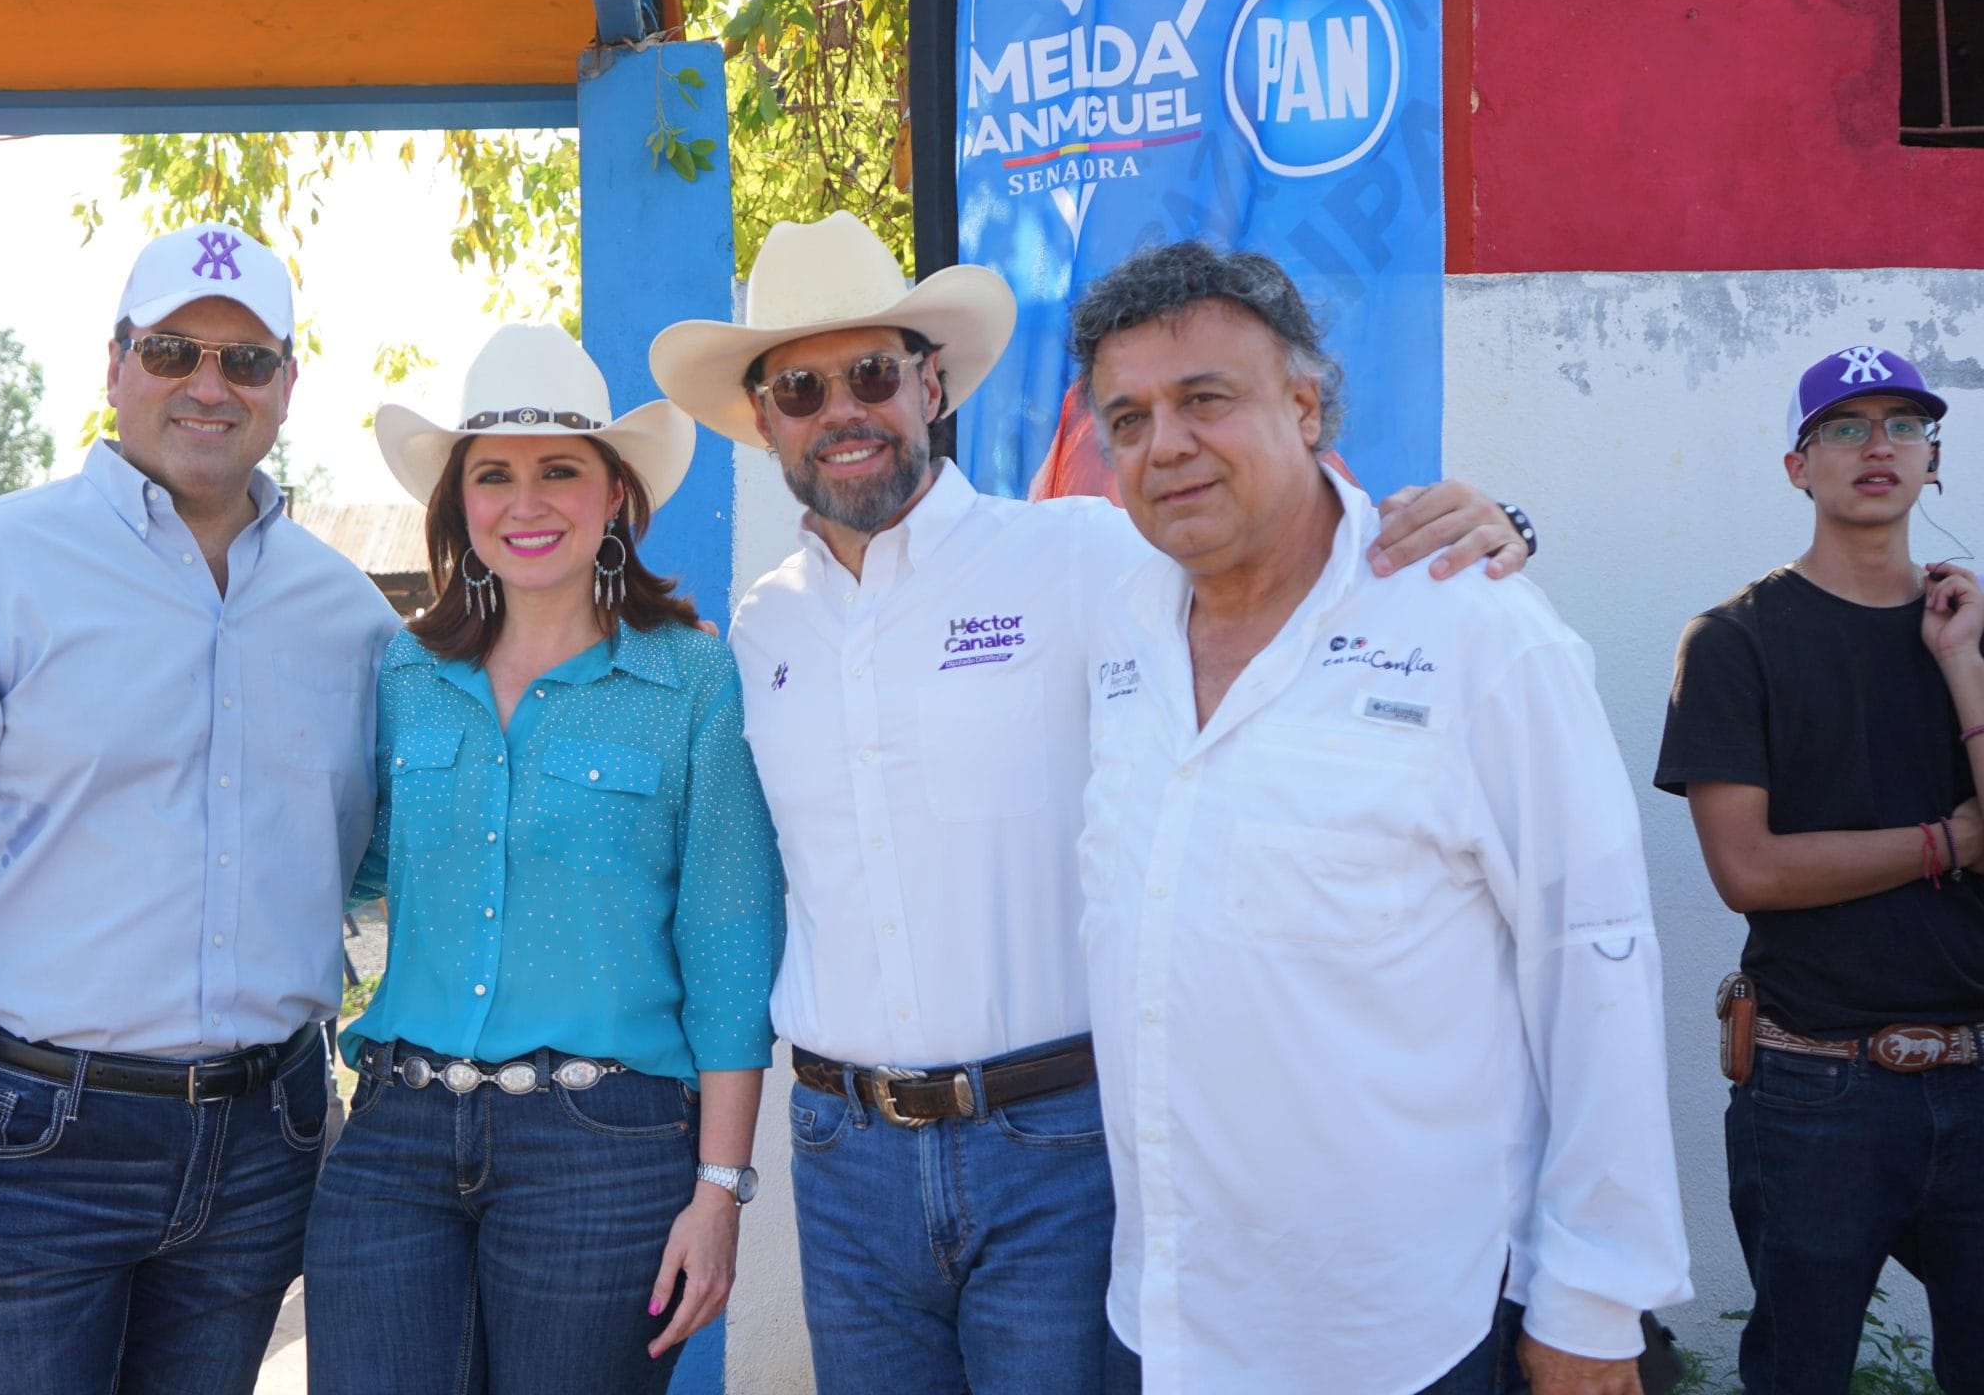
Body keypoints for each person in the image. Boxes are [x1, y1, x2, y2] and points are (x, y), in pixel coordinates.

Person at [645, 213, 1539, 1393]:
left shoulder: (1081, 556)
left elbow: (1290, 561)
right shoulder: (756, 630)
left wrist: (1480, 533)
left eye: (870, 374)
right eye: (800, 389)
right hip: (841, 1155)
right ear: (764, 421)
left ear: (929, 384)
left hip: (1054, 1142)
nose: (840, 412)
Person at [0, 223, 400, 1395]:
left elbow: (369, 862)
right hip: (17, 1146)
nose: (208, 385)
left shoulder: (348, 616)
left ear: (288, 383)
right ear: (114, 363)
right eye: (173, 350)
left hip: (263, 1144)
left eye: (246, 359)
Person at [1070, 243, 1689, 1395]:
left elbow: (1593, 959)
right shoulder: (1117, 631)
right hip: (1166, 1316)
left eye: (1205, 398)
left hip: (1404, 1330)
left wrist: (1595, 1298)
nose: (1167, 445)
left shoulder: (1478, 631)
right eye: (1130, 417)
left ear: (1304, 407)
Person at [302, 324, 785, 1393]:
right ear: (459, 505)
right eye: (495, 476)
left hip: (603, 1150)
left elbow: (728, 950)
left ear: (614, 495)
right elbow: (355, 864)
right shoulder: (404, 675)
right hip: (395, 1140)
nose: (527, 503)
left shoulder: (695, 683)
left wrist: (718, 1190)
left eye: (560, 470)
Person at [1657, 345, 1984, 1393]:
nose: (1876, 446)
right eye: (1843, 428)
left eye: (1902, 426)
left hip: (1980, 1073)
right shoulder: (1733, 642)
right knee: (1799, 1374)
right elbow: (1748, 871)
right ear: (1797, 467)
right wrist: (1949, 842)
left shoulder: (1970, 633)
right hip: (1814, 1084)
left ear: (1934, 461)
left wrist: (1960, 665)